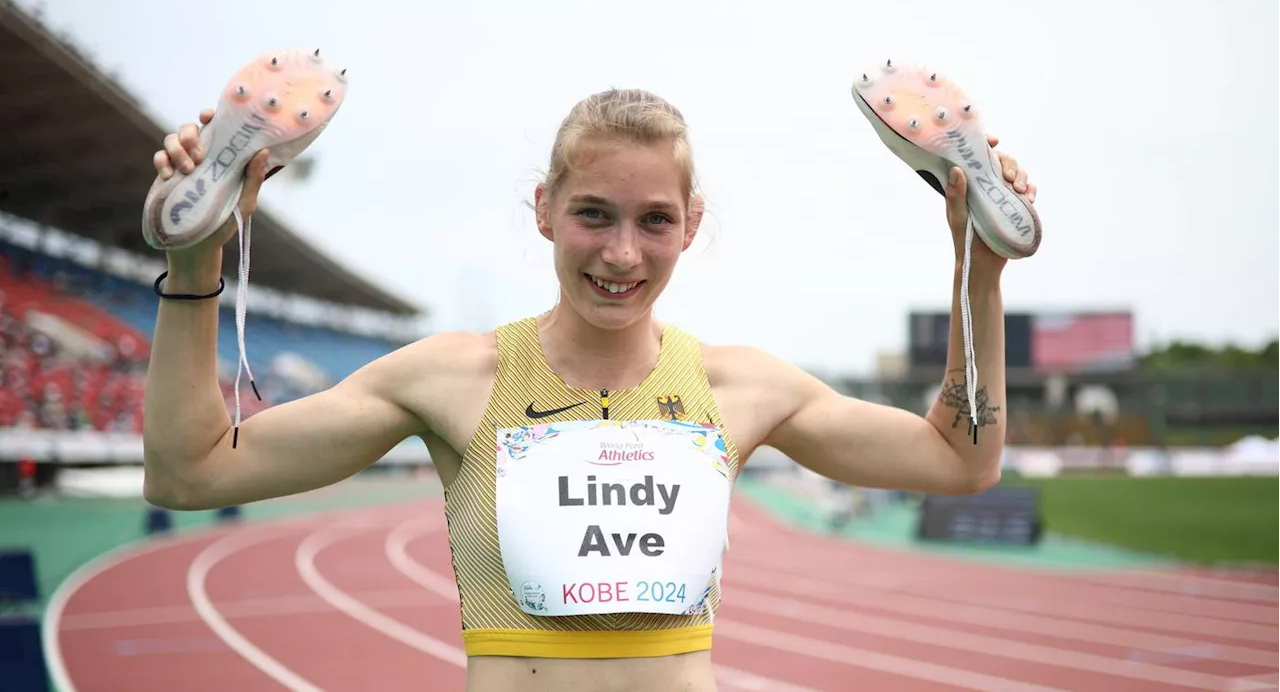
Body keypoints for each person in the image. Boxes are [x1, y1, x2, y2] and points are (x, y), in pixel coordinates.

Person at [142, 87, 1036, 691]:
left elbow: (959, 460)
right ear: (545, 210)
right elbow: (191, 473)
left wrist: (980, 272)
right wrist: (195, 262)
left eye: (655, 221)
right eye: (593, 215)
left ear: (691, 227)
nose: (621, 253)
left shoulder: (740, 386)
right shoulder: (455, 378)